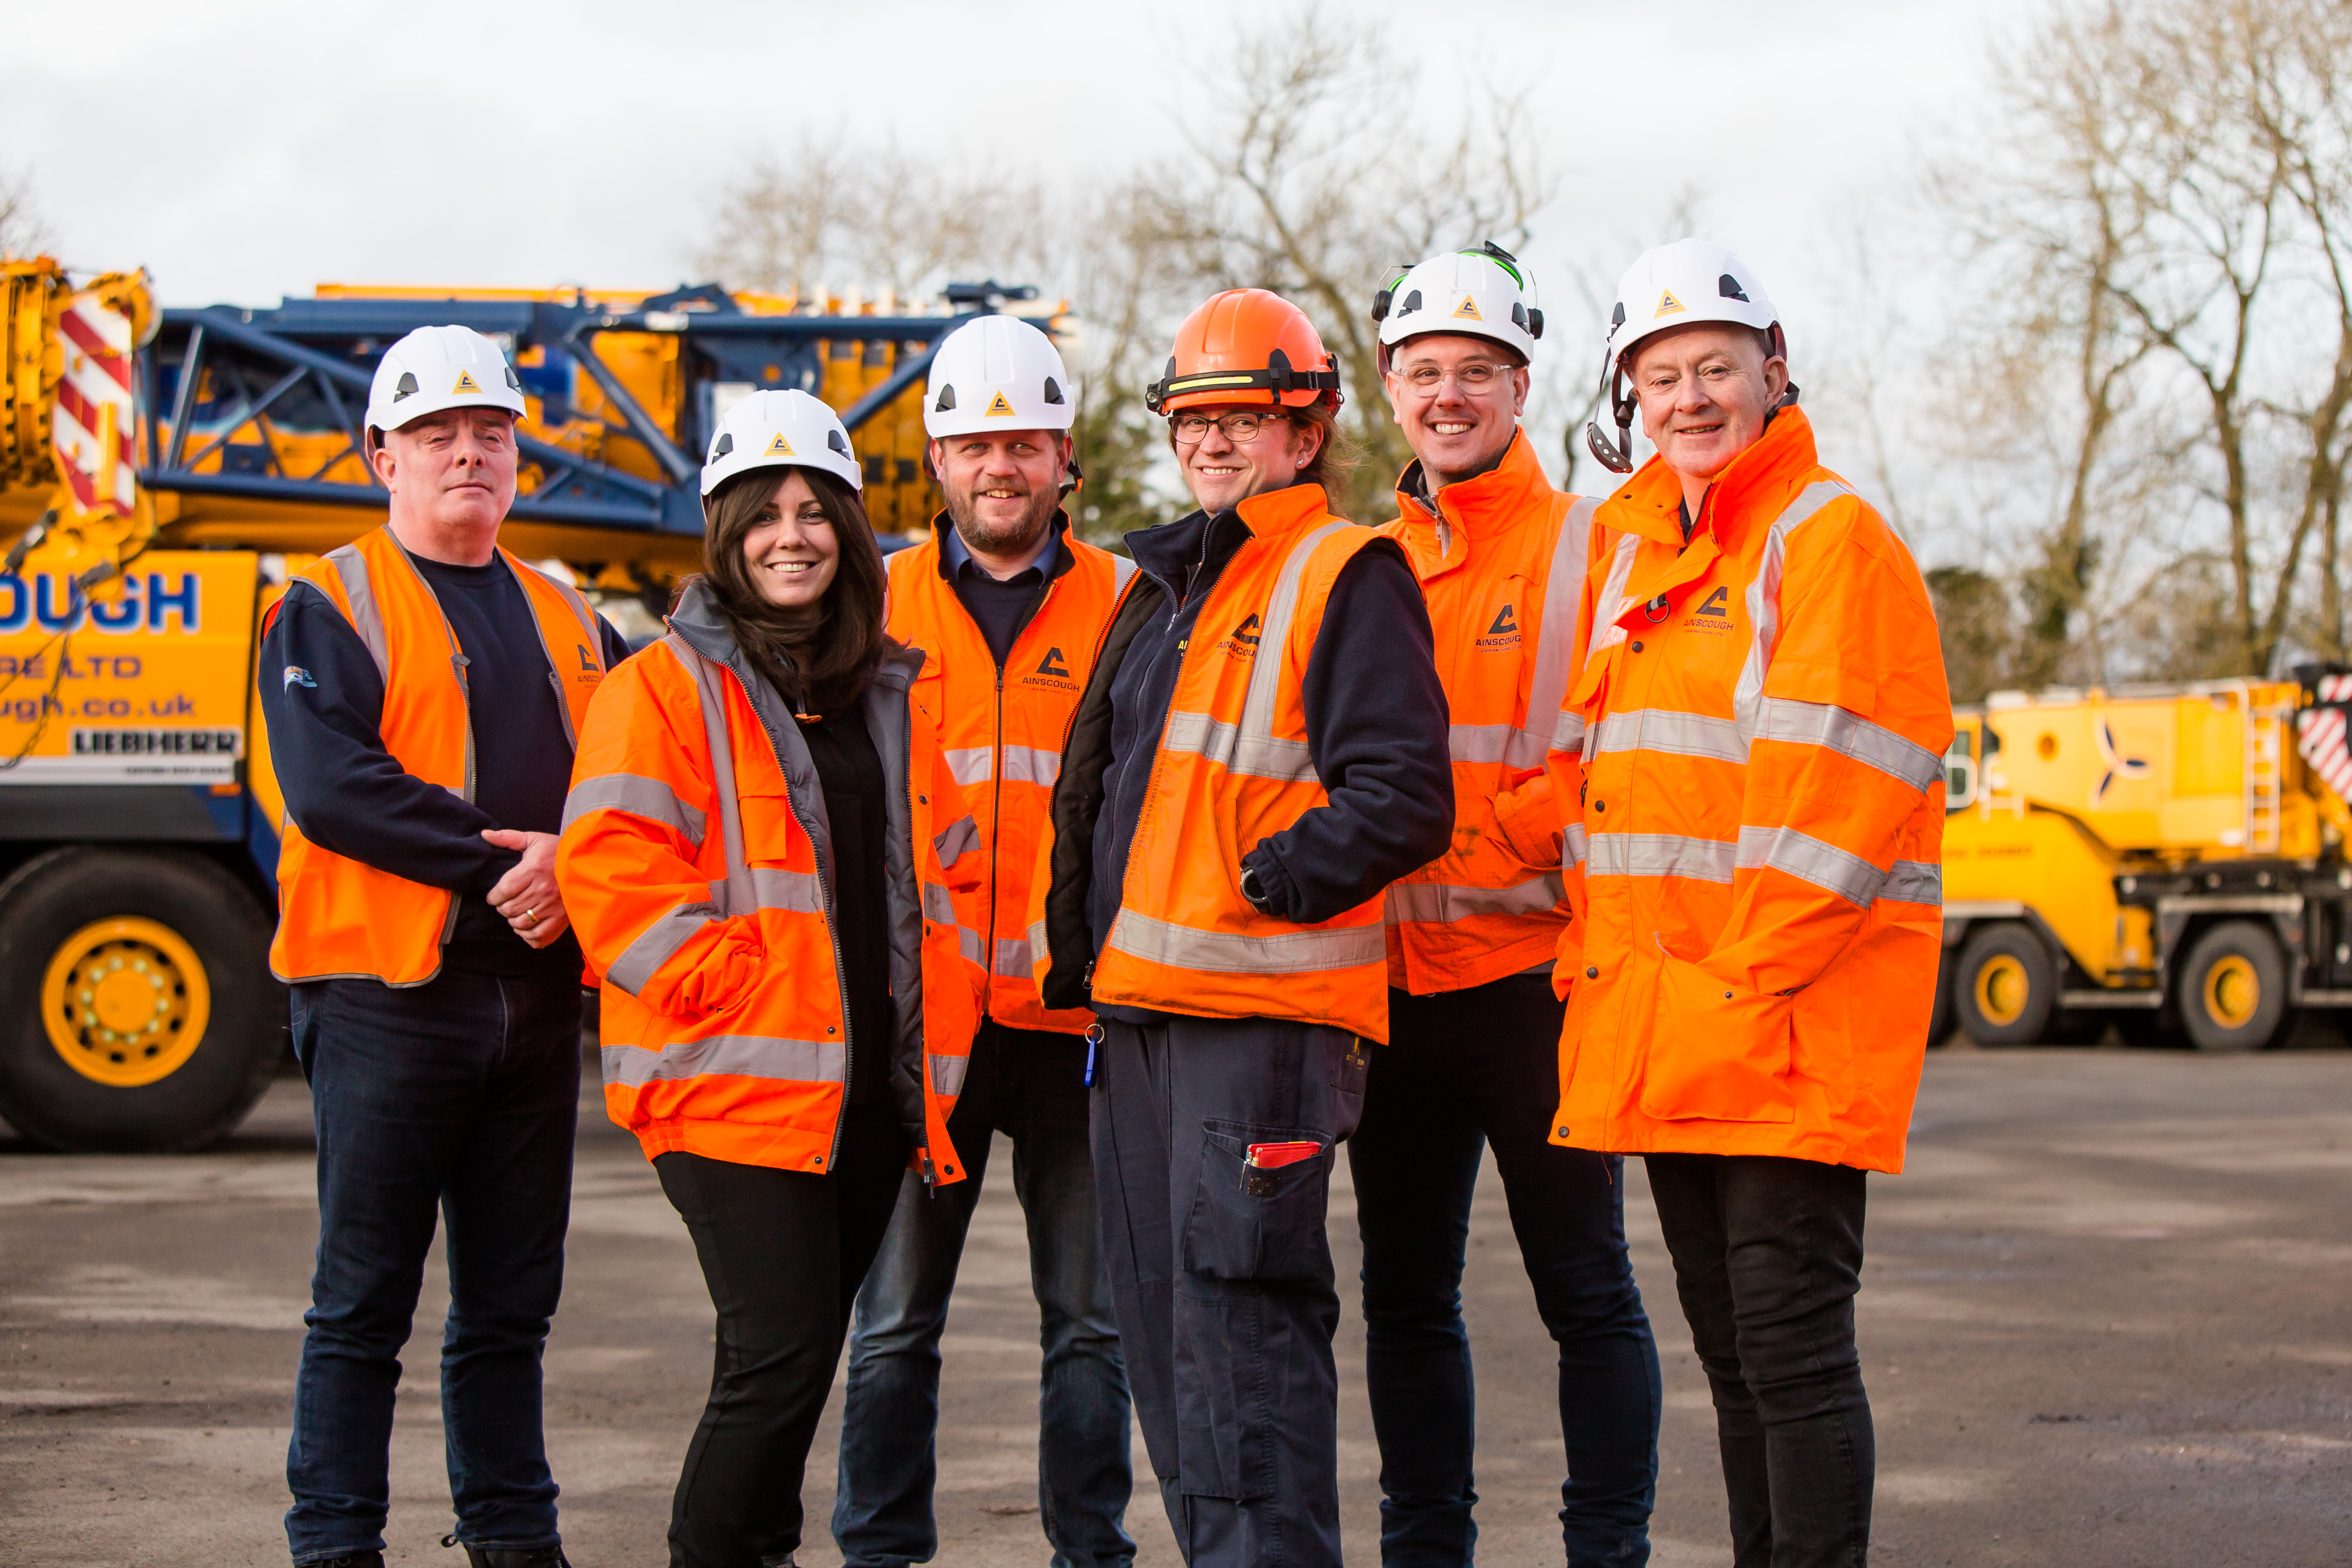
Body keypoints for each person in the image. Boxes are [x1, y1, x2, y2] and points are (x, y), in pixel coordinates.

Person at [1031, 288, 1454, 1568]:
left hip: (1257, 1034)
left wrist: (1261, 880)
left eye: (1243, 419)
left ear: (1306, 429)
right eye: (1192, 420)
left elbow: (1405, 796)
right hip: (1141, 1023)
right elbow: (1100, 789)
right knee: (1170, 1360)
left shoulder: (1344, 572)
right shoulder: (1162, 588)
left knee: (1247, 1356)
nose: (1212, 442)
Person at [1555, 239, 1952, 1568]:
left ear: (1774, 373)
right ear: (1630, 400)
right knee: (1732, 1361)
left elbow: (1842, 805)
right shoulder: (1636, 558)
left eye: (1715, 368)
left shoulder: (1824, 539)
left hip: (1779, 1022)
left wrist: (1729, 994)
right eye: (1659, 378)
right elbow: (1612, 798)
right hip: (1676, 1023)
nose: (1689, 399)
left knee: (1790, 1354)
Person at [554, 390, 987, 1568]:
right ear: (725, 531)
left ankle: (759, 1551)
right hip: (727, 1085)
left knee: (791, 1360)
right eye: (766, 514)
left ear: (850, 534)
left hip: (857, 1096)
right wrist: (740, 983)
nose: (792, 535)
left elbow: (933, 884)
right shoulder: (658, 688)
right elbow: (611, 876)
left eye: (817, 512)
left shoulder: (887, 693)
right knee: (781, 1351)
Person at [262, 324, 629, 1568]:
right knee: (363, 1305)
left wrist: (574, 866)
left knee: (510, 1310)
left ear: (517, 454)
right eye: (436, 435)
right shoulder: (328, 601)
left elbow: (633, 786)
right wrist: (511, 863)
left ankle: (515, 1540)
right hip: (386, 997)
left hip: (530, 1000)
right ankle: (335, 1546)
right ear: (384, 456)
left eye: (490, 433)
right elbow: (333, 788)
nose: (467, 454)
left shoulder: (572, 615)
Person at [1359, 243, 1662, 1568]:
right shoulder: (1357, 563)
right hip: (1391, 995)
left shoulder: (1598, 550)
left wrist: (1472, 840)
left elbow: (1618, 753)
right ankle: (1430, 1551)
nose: (1449, 396)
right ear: (1388, 387)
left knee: (1587, 1296)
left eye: (1476, 372)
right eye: (1425, 372)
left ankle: (1608, 1551)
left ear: (1522, 386)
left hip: (1537, 985)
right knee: (1407, 1303)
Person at [835, 316, 1136, 1568]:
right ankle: (880, 1554)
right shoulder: (872, 603)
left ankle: (1092, 1554)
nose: (999, 466)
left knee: (1093, 1330)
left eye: (1023, 443)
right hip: (931, 1035)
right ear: (937, 459)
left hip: (1083, 1033)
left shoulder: (1136, 602)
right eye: (974, 444)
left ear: (1067, 457)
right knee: (895, 1323)